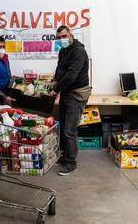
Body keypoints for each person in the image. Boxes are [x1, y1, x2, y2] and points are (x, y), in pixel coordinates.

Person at [51, 26, 91, 176]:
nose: (62, 39)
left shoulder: (78, 52)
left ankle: (71, 163)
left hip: (76, 94)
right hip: (66, 93)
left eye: (64, 36)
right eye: (59, 37)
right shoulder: (63, 50)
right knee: (63, 127)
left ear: (71, 35)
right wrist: (55, 81)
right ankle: (66, 156)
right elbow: (60, 69)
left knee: (70, 130)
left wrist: (56, 89)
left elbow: (71, 76)